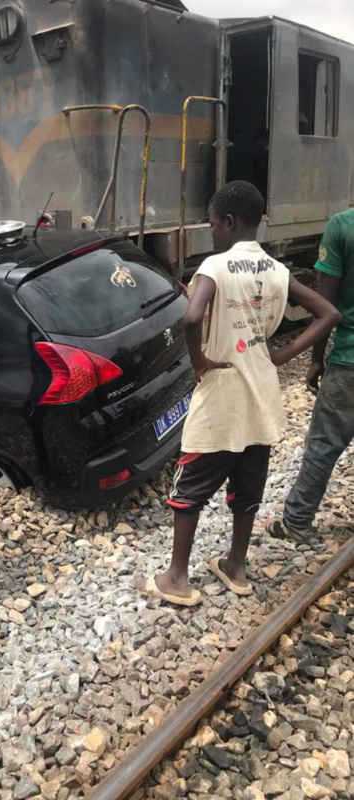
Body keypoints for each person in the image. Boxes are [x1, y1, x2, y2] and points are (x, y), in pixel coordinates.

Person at [144, 181, 340, 607]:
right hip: (261, 398)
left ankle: (176, 577)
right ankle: (236, 566)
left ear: (229, 222)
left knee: (190, 488)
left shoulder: (215, 266)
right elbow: (330, 313)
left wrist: (197, 362)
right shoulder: (276, 270)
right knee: (247, 489)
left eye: (213, 224)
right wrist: (285, 352)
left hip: (221, 398)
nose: (212, 232)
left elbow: (192, 317)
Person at [265, 209, 354, 542]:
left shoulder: (343, 226)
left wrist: (316, 361)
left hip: (349, 361)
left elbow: (325, 306)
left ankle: (297, 521)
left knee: (324, 443)